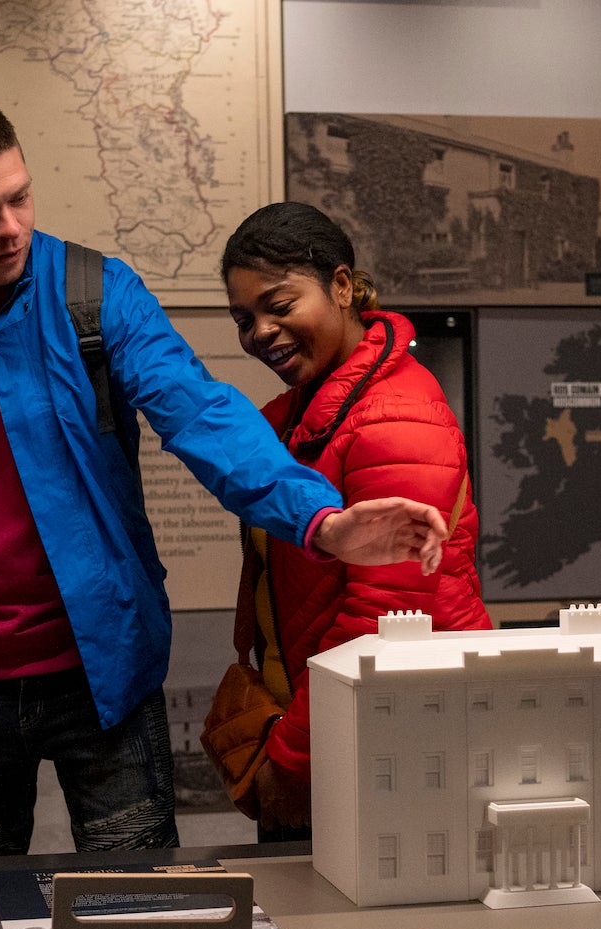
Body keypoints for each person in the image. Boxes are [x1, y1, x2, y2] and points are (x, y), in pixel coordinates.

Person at [0, 93, 447, 859]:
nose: (9, 228)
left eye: (20, 198)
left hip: (103, 668)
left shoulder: (96, 293)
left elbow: (202, 414)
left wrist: (321, 521)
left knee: (140, 912)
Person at [218, 202, 492, 838]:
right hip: (341, 728)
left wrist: (289, 758)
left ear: (342, 287)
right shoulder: (295, 413)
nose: (261, 331)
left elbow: (383, 622)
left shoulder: (395, 417)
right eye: (244, 318)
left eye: (279, 305)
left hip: (383, 741)